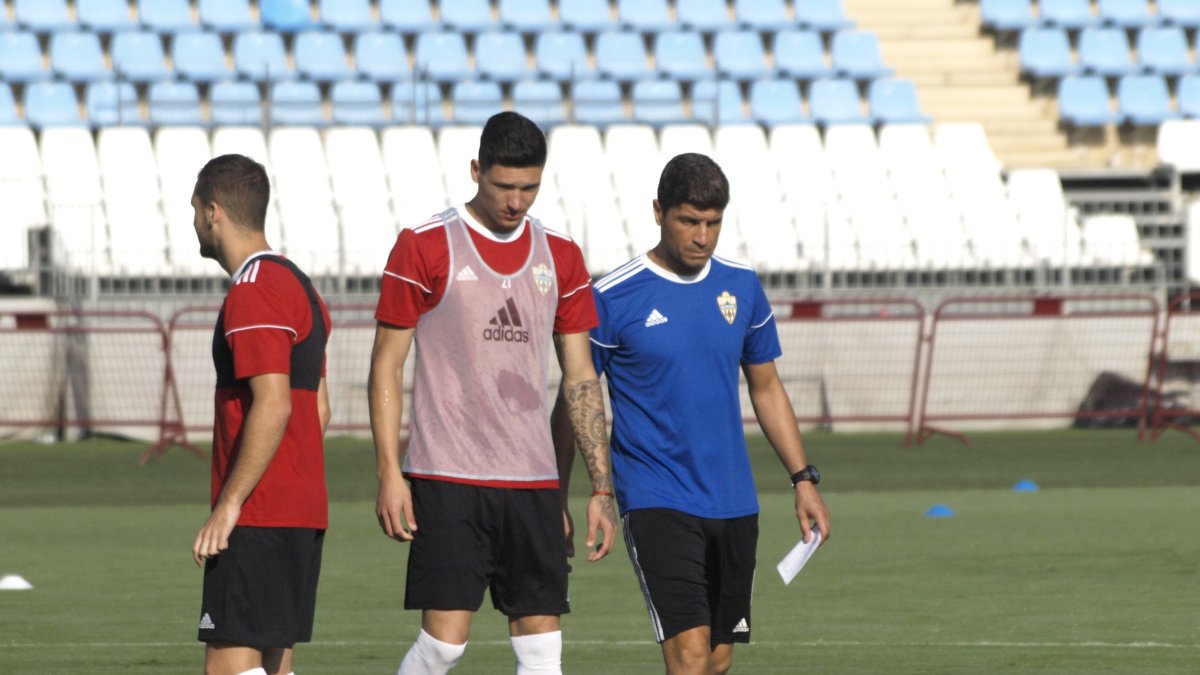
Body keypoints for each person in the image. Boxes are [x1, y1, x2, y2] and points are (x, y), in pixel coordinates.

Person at [369, 111, 617, 675]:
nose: (516, 201)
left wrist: (599, 486)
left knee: (542, 653)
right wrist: (389, 471)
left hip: (532, 482)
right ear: (477, 170)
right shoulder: (424, 244)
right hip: (447, 475)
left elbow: (580, 376)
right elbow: (386, 364)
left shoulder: (562, 254)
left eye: (529, 187)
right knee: (443, 647)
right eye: (504, 186)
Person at [573, 153, 831, 674]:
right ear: (658, 212)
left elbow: (767, 388)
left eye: (713, 222)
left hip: (733, 498)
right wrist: (597, 489)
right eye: (689, 220)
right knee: (688, 655)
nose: (702, 236)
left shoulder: (742, 286)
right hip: (656, 496)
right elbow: (578, 395)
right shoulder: (613, 296)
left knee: (716, 660)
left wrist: (803, 479)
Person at [189, 153, 332, 675]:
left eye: (195, 211)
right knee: (273, 666)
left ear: (213, 212)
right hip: (299, 509)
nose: (195, 224)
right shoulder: (302, 285)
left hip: (260, 511)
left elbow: (273, 402)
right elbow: (319, 408)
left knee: (227, 666)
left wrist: (231, 505)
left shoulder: (254, 290)